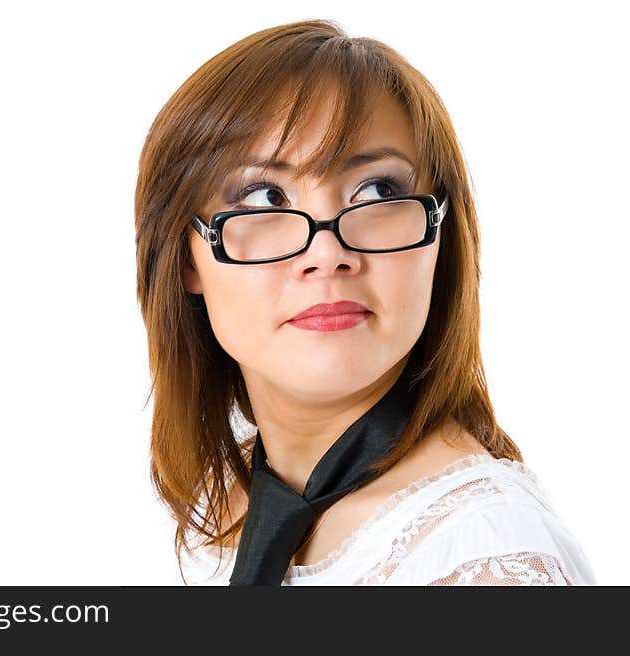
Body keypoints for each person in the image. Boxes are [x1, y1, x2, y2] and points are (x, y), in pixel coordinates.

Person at [134, 18, 597, 585]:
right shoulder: (220, 507)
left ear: (439, 238)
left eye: (379, 191)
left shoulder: (480, 558)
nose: (327, 253)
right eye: (263, 196)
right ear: (187, 256)